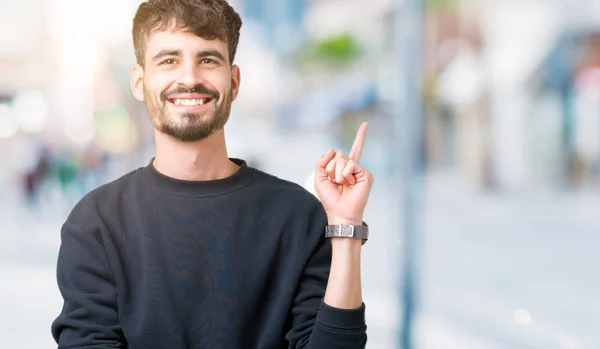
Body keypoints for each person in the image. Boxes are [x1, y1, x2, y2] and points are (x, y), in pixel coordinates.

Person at [51, 0, 374, 348]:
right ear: (139, 81)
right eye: (169, 61)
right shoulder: (96, 223)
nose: (189, 78)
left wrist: (345, 227)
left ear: (233, 82)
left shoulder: (298, 215)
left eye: (207, 59)